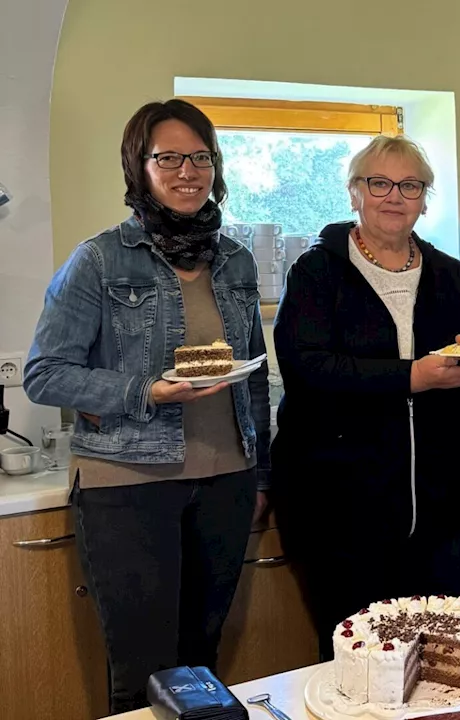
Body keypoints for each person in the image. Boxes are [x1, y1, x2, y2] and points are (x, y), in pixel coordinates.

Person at [24, 99, 269, 713]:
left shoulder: (235, 260)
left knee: (202, 665)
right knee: (143, 672)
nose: (188, 171)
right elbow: (45, 374)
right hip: (128, 484)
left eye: (200, 156)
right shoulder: (101, 258)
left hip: (225, 483)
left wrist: (260, 470)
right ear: (140, 166)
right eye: (168, 158)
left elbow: (255, 381)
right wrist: (144, 392)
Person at [270, 135, 460, 655]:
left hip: (442, 509)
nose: (395, 196)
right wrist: (413, 378)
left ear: (424, 198)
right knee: (361, 661)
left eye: (411, 185)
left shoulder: (449, 274)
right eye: (380, 183)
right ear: (355, 193)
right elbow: (308, 369)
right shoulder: (317, 271)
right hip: (340, 510)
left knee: (446, 660)